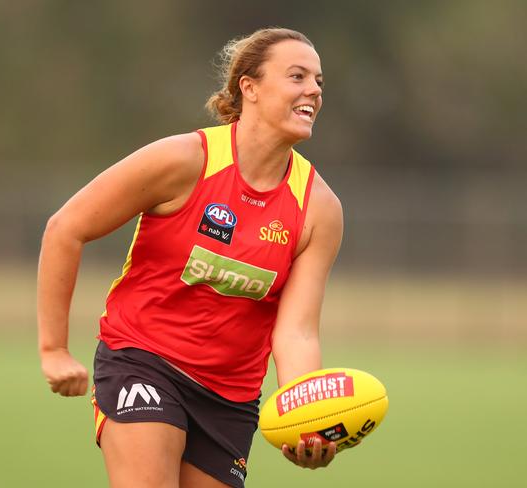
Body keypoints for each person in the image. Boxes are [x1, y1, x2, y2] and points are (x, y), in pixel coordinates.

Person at [38, 27, 343, 488]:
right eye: (297, 76)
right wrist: (54, 349)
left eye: (319, 81)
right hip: (143, 359)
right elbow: (66, 228)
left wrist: (303, 414)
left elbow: (296, 331)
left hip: (230, 397)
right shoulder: (184, 160)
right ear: (250, 87)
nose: (314, 91)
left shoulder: (319, 207)